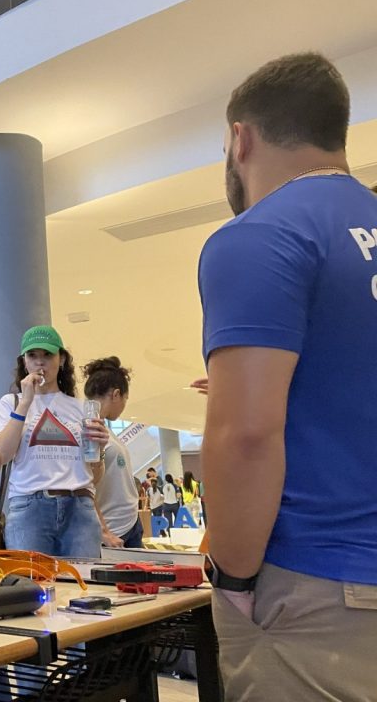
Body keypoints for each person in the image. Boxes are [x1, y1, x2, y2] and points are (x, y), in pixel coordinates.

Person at [200, 51, 377, 699]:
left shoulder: (259, 236)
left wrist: (235, 581)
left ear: (240, 139)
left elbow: (245, 435)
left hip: (318, 588)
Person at [0, 326, 108, 558]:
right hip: (29, 506)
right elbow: (1, 455)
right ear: (24, 362)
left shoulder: (81, 408)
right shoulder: (10, 402)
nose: (40, 363)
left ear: (61, 359)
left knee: (82, 587)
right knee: (33, 586)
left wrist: (99, 451)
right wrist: (25, 403)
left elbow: (95, 477)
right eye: (33, 356)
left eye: (48, 355)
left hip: (79, 506)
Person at [83, 357, 143, 549]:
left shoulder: (105, 429)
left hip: (129, 524)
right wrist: (104, 532)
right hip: (113, 532)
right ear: (116, 394)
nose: (124, 404)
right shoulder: (89, 429)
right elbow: (84, 486)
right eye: (125, 398)